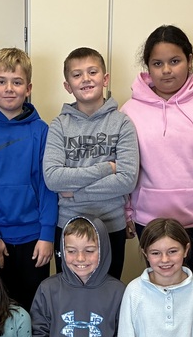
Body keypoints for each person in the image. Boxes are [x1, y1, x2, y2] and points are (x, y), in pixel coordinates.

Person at [120, 25, 193, 287]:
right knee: (159, 291)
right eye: (157, 63)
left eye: (175, 61)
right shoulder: (129, 111)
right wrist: (127, 212)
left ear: (189, 60)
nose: (166, 70)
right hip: (149, 222)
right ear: (147, 67)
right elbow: (123, 167)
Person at [0, 47, 57, 313]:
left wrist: (47, 234)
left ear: (28, 88)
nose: (9, 88)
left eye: (17, 82)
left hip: (35, 240)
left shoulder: (41, 131)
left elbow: (48, 186)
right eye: (2, 82)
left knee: (32, 308)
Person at [42, 47, 139, 280]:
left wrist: (73, 193)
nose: (85, 79)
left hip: (111, 227)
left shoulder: (122, 123)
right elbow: (53, 178)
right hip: (68, 227)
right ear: (68, 86)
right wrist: (107, 168)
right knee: (69, 292)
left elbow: (126, 181)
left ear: (104, 79)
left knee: (108, 292)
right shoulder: (59, 125)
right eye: (76, 75)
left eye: (92, 72)